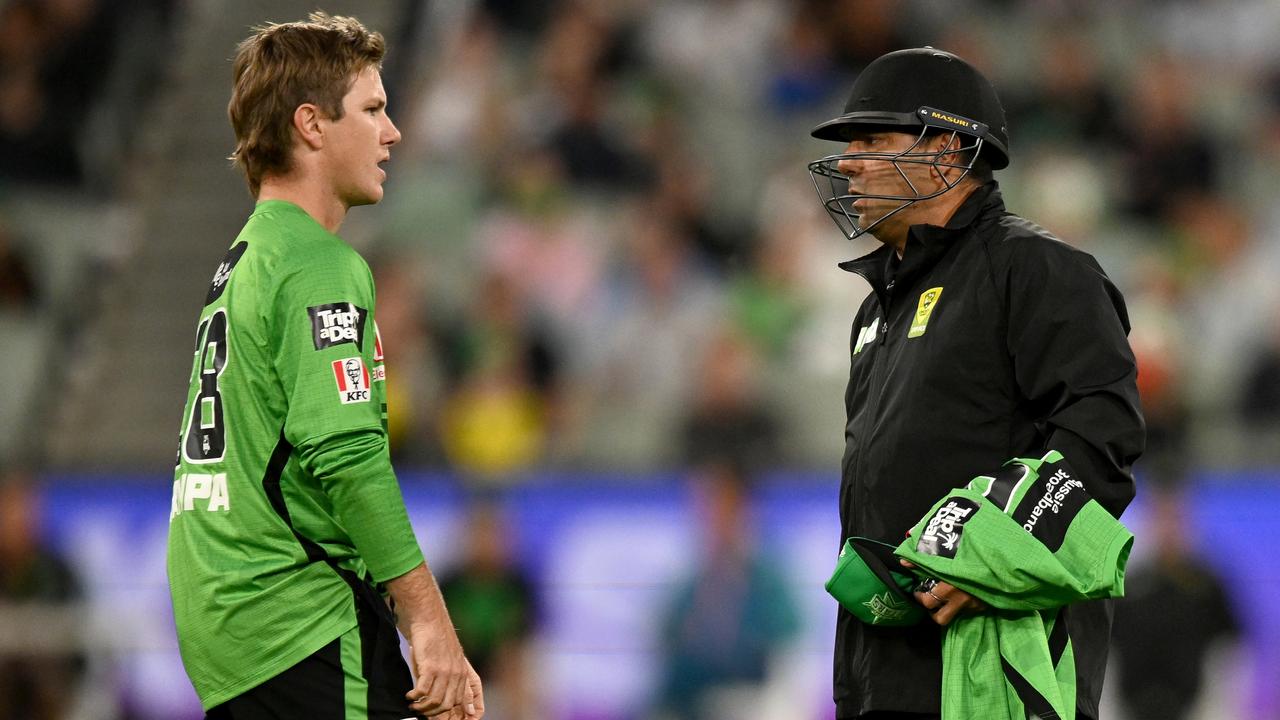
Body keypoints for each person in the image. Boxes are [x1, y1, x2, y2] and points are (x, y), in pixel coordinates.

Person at [806, 47, 1145, 720]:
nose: (849, 161)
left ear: (947, 152)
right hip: (886, 678)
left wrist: (987, 560)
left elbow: (1103, 436)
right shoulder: (877, 311)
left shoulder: (1038, 271)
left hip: (1002, 671)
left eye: (873, 138)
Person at [166, 13, 482, 720]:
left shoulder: (245, 261)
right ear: (312, 125)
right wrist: (428, 620)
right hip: (296, 609)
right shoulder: (319, 266)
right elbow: (345, 456)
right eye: (372, 109)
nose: (392, 131)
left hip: (231, 615)